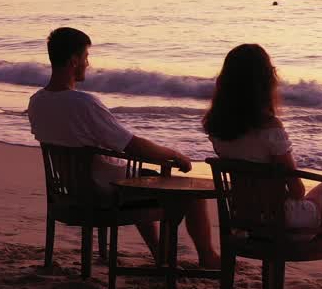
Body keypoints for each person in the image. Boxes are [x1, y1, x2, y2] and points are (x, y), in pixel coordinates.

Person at [27, 27, 219, 267]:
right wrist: (174, 155)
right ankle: (208, 257)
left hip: (67, 190)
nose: (88, 63)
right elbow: (130, 145)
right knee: (190, 192)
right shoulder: (84, 103)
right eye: (85, 58)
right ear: (74, 61)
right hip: (104, 190)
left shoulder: (37, 102)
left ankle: (160, 253)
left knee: (140, 177)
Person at [202, 43, 322, 289]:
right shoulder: (270, 129)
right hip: (281, 223)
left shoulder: (216, 128)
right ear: (265, 81)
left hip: (247, 221)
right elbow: (296, 189)